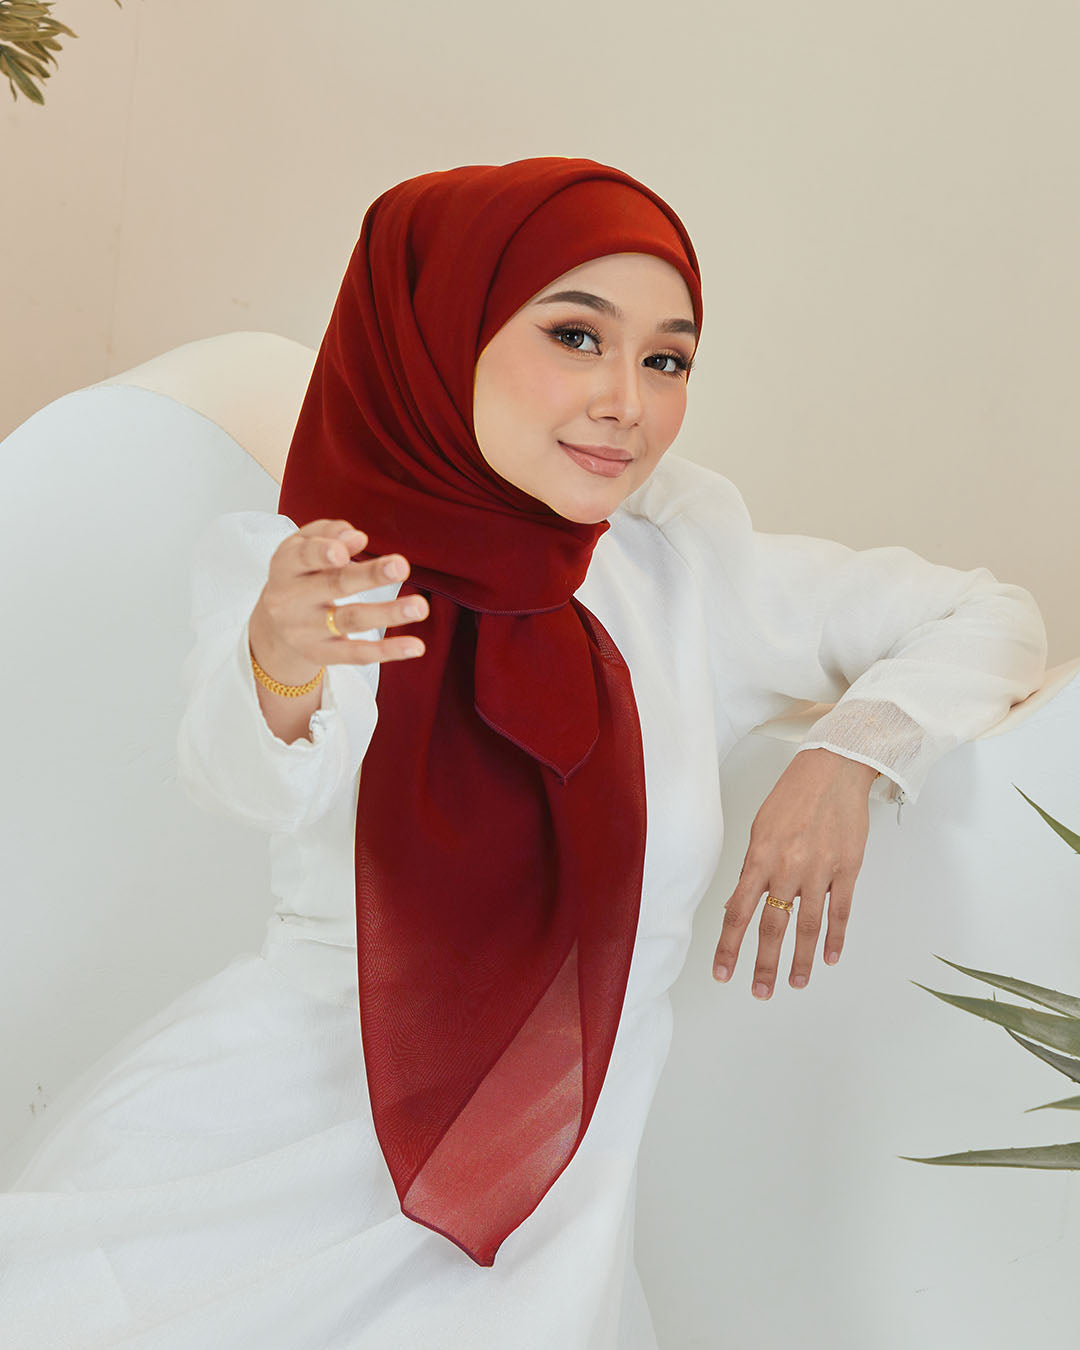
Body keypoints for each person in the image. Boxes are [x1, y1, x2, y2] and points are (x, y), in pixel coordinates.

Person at [0, 156, 1047, 1346]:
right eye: (576, 337)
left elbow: (987, 615)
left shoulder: (684, 572)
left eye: (666, 360)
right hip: (248, 1162)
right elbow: (240, 776)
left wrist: (848, 756)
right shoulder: (317, 571)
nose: (626, 402)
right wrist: (281, 659)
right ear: (446, 334)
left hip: (534, 1231)